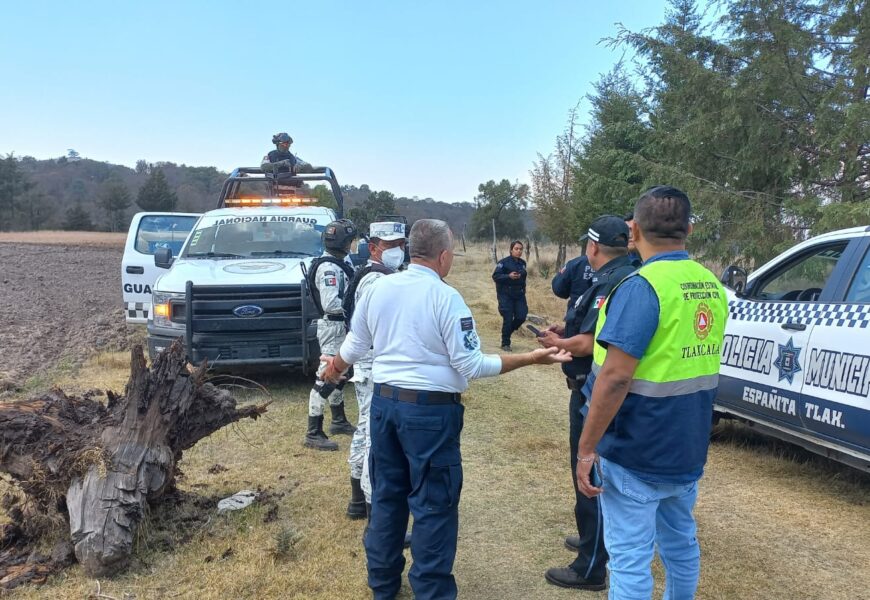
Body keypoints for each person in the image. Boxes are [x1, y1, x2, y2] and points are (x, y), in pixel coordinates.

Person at [321, 219, 571, 600]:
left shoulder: (380, 288)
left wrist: (333, 370)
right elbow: (470, 365)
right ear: (443, 255)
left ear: (408, 250)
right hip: (430, 416)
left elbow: (355, 346)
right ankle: (431, 591)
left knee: (388, 498)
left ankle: (383, 587)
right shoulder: (445, 297)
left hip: (385, 406)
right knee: (434, 506)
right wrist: (530, 358)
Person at [576, 186, 729, 599]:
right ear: (689, 229)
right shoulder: (712, 286)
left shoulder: (642, 286)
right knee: (681, 544)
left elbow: (615, 377)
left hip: (635, 447)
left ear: (634, 231)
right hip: (687, 444)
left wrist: (586, 448)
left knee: (629, 558)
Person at [537, 216, 641, 591]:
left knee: (589, 476)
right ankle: (591, 541)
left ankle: (591, 566)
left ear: (592, 246)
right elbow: (588, 327)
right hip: (589, 384)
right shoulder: (612, 275)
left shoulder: (616, 280)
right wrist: (567, 332)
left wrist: (557, 344)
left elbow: (592, 342)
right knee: (592, 476)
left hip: (593, 389)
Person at [343, 221, 407, 519]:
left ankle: (357, 500)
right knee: (374, 440)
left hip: (367, 363)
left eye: (401, 245)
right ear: (374, 247)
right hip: (373, 363)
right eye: (391, 245)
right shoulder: (378, 280)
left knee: (364, 429)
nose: (398, 251)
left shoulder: (372, 274)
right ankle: (375, 513)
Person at [303, 218, 358, 451]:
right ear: (344, 242)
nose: (353, 245)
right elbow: (330, 303)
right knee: (326, 375)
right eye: (351, 241)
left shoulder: (340, 263)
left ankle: (338, 420)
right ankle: (313, 431)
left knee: (340, 373)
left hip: (340, 326)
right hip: (333, 325)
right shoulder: (328, 268)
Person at [492, 240, 528, 351]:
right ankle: (505, 343)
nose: (519, 251)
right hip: (505, 294)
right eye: (516, 249)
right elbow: (495, 276)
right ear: (511, 250)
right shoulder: (503, 263)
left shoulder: (522, 263)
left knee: (521, 316)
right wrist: (508, 276)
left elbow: (524, 278)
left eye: (521, 249)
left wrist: (524, 289)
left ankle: (507, 331)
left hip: (519, 295)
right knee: (507, 318)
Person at [551, 252, 595, 317]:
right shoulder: (614, 268)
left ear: (593, 246)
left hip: (577, 318)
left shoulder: (576, 263)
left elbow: (558, 289)